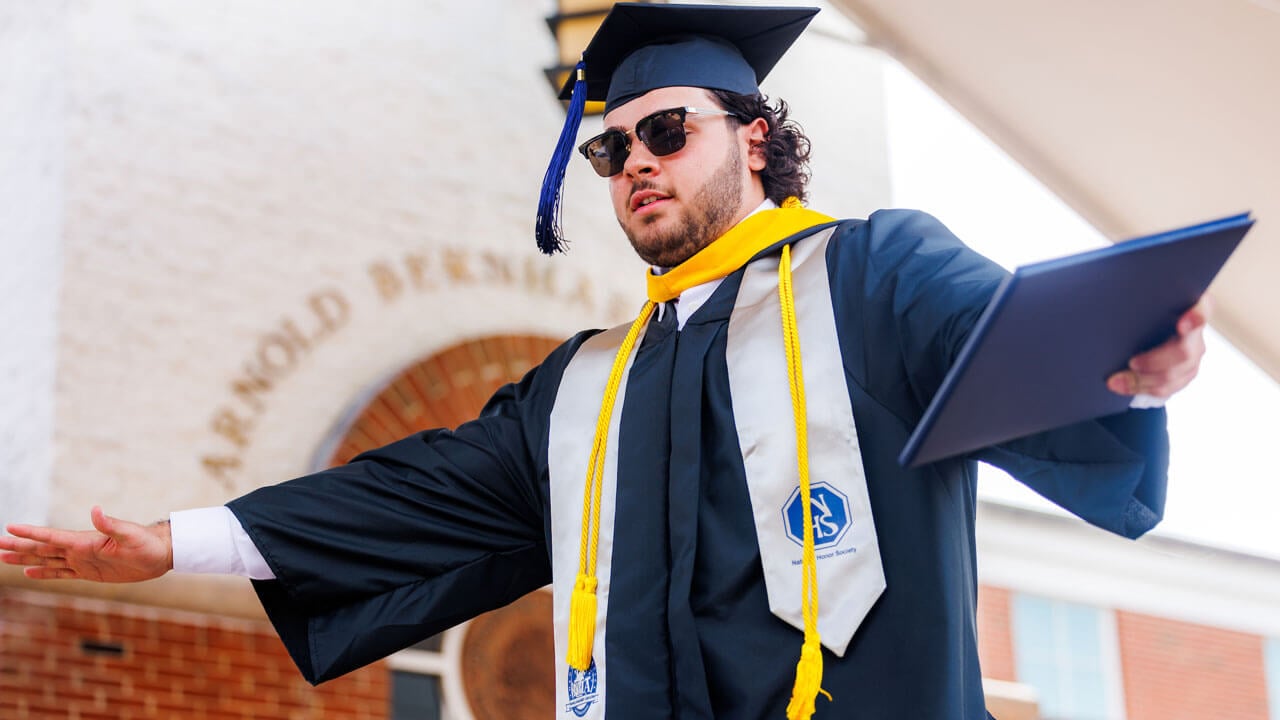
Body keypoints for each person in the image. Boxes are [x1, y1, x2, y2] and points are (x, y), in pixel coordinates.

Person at [1, 4, 1209, 719]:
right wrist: (171, 544)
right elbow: (402, 496)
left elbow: (1009, 349)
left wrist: (1126, 363)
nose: (632, 161)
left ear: (753, 133)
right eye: (608, 148)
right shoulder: (582, 387)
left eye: (666, 131)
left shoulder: (874, 277)